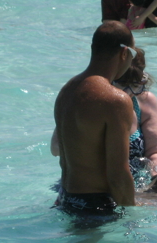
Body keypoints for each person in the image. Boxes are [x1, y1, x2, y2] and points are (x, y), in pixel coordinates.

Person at [52, 21, 137, 218]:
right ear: (124, 53)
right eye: (132, 55)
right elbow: (118, 174)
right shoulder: (115, 100)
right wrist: (134, 217)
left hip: (65, 199)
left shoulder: (67, 90)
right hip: (96, 207)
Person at [113, 48, 157, 184]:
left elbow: (156, 152)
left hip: (139, 185)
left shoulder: (145, 101)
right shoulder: (89, 102)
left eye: (135, 85)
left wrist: (156, 182)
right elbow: (56, 149)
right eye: (122, 85)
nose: (128, 93)